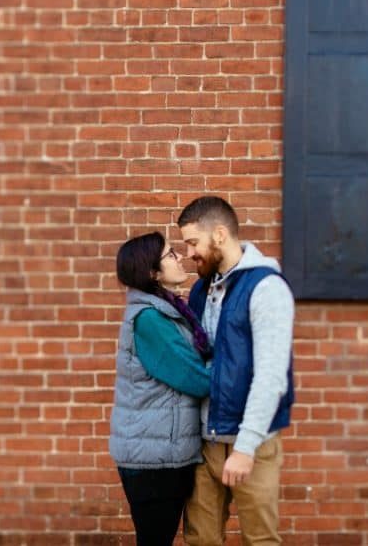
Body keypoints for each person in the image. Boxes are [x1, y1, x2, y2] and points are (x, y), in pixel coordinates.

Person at [177, 196, 295, 546]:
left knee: (259, 540)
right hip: (205, 444)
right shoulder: (200, 289)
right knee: (201, 540)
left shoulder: (266, 288)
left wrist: (244, 448)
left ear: (219, 235)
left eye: (192, 243)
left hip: (251, 445)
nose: (188, 253)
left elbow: (271, 376)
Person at [108, 231, 213, 546]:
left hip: (160, 452)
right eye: (170, 255)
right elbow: (195, 379)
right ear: (153, 272)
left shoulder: (167, 311)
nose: (180, 256)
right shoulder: (151, 319)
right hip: (153, 460)